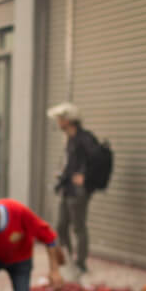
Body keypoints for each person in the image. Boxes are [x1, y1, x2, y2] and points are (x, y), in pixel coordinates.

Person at [48, 102, 98, 276]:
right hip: (67, 189)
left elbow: (97, 160)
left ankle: (81, 263)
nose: (58, 123)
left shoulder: (85, 138)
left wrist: (86, 177)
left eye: (61, 119)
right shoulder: (69, 139)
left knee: (78, 226)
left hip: (78, 192)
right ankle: (68, 259)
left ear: (69, 120)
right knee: (61, 226)